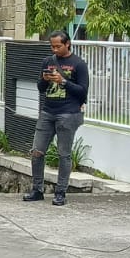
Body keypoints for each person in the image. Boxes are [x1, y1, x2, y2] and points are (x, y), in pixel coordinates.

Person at [23, 31, 87, 206]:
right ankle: (37, 189)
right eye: (52, 46)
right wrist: (45, 79)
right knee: (37, 151)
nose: (55, 49)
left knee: (63, 153)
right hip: (48, 111)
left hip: (68, 112)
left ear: (68, 44)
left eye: (58, 46)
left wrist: (63, 81)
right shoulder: (48, 61)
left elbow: (83, 92)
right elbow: (40, 88)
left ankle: (61, 192)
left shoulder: (79, 64)